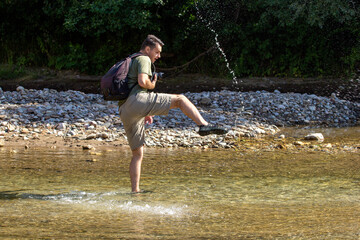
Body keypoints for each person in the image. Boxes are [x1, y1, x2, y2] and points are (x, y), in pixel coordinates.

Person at [119, 34, 227, 193]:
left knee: (137, 153)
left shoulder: (132, 59)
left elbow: (133, 86)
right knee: (180, 99)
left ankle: (135, 191)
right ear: (147, 49)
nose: (158, 56)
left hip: (125, 109)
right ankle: (203, 125)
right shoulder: (143, 59)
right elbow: (143, 82)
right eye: (157, 52)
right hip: (137, 101)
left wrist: (145, 111)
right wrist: (152, 84)